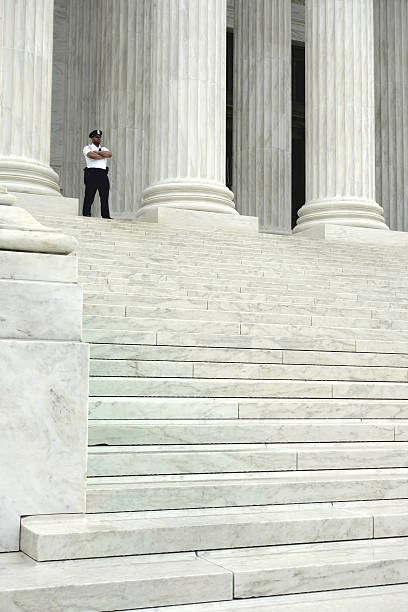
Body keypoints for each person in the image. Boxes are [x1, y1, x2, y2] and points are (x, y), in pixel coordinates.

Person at [82, 129, 112, 218]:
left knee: (104, 196)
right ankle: (86, 213)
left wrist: (98, 152)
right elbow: (92, 156)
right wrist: (102, 155)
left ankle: (106, 215)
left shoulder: (104, 148)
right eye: (96, 137)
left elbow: (109, 154)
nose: (98, 139)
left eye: (99, 137)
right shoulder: (87, 148)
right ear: (92, 138)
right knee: (89, 195)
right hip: (92, 173)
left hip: (103, 174)